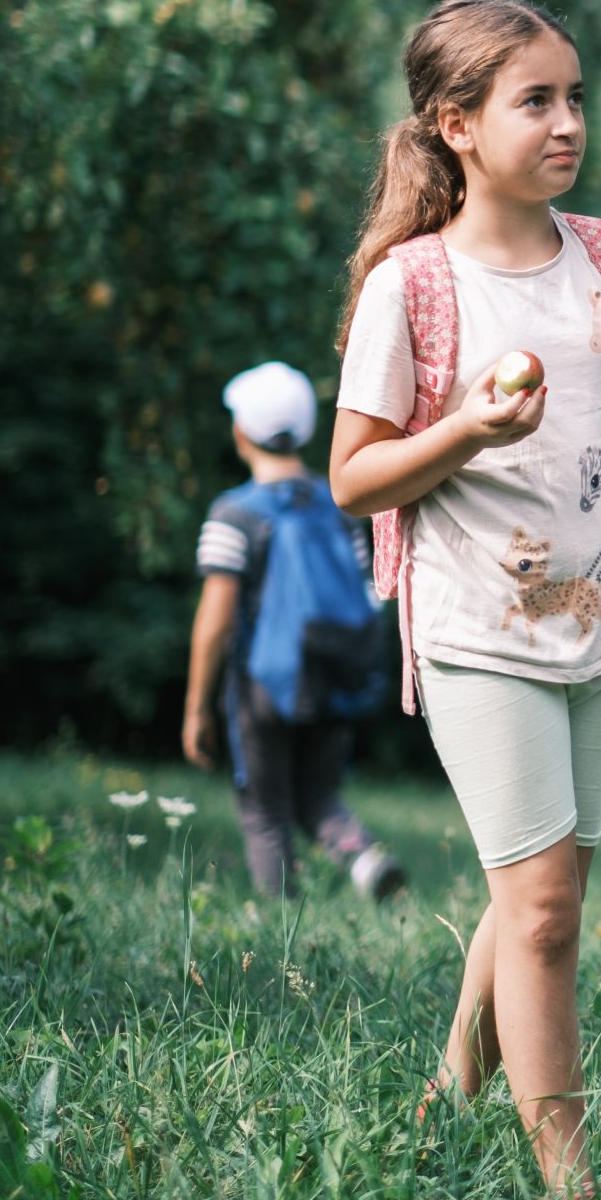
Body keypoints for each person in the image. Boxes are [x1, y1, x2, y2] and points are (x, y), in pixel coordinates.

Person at [329, 0, 601, 1198]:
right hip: (476, 635)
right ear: (455, 124)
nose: (566, 123)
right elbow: (354, 477)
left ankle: (451, 1087)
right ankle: (566, 1175)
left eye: (574, 96)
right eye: (534, 100)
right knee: (543, 910)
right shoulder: (413, 286)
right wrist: (469, 431)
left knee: (539, 885)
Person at [184, 359, 406, 902]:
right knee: (320, 797)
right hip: (332, 672)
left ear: (241, 432)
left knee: (265, 809)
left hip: (264, 687)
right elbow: (367, 588)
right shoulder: (339, 505)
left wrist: (196, 706)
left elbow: (215, 619)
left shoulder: (235, 513)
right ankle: (364, 858)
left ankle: (283, 919)